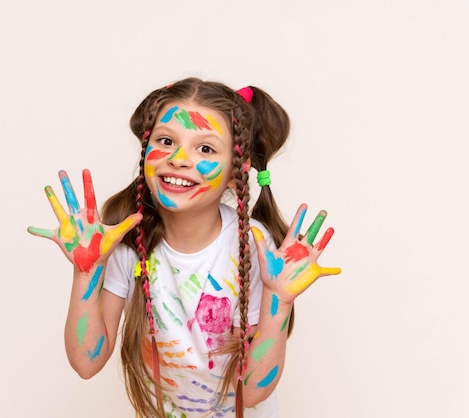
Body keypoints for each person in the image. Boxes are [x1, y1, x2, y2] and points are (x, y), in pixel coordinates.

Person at [27, 77, 341, 418]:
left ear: (237, 171)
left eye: (204, 148)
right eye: (166, 140)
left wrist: (279, 300)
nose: (178, 158)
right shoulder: (128, 239)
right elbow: (86, 363)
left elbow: (251, 394)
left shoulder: (255, 245)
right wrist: (86, 271)